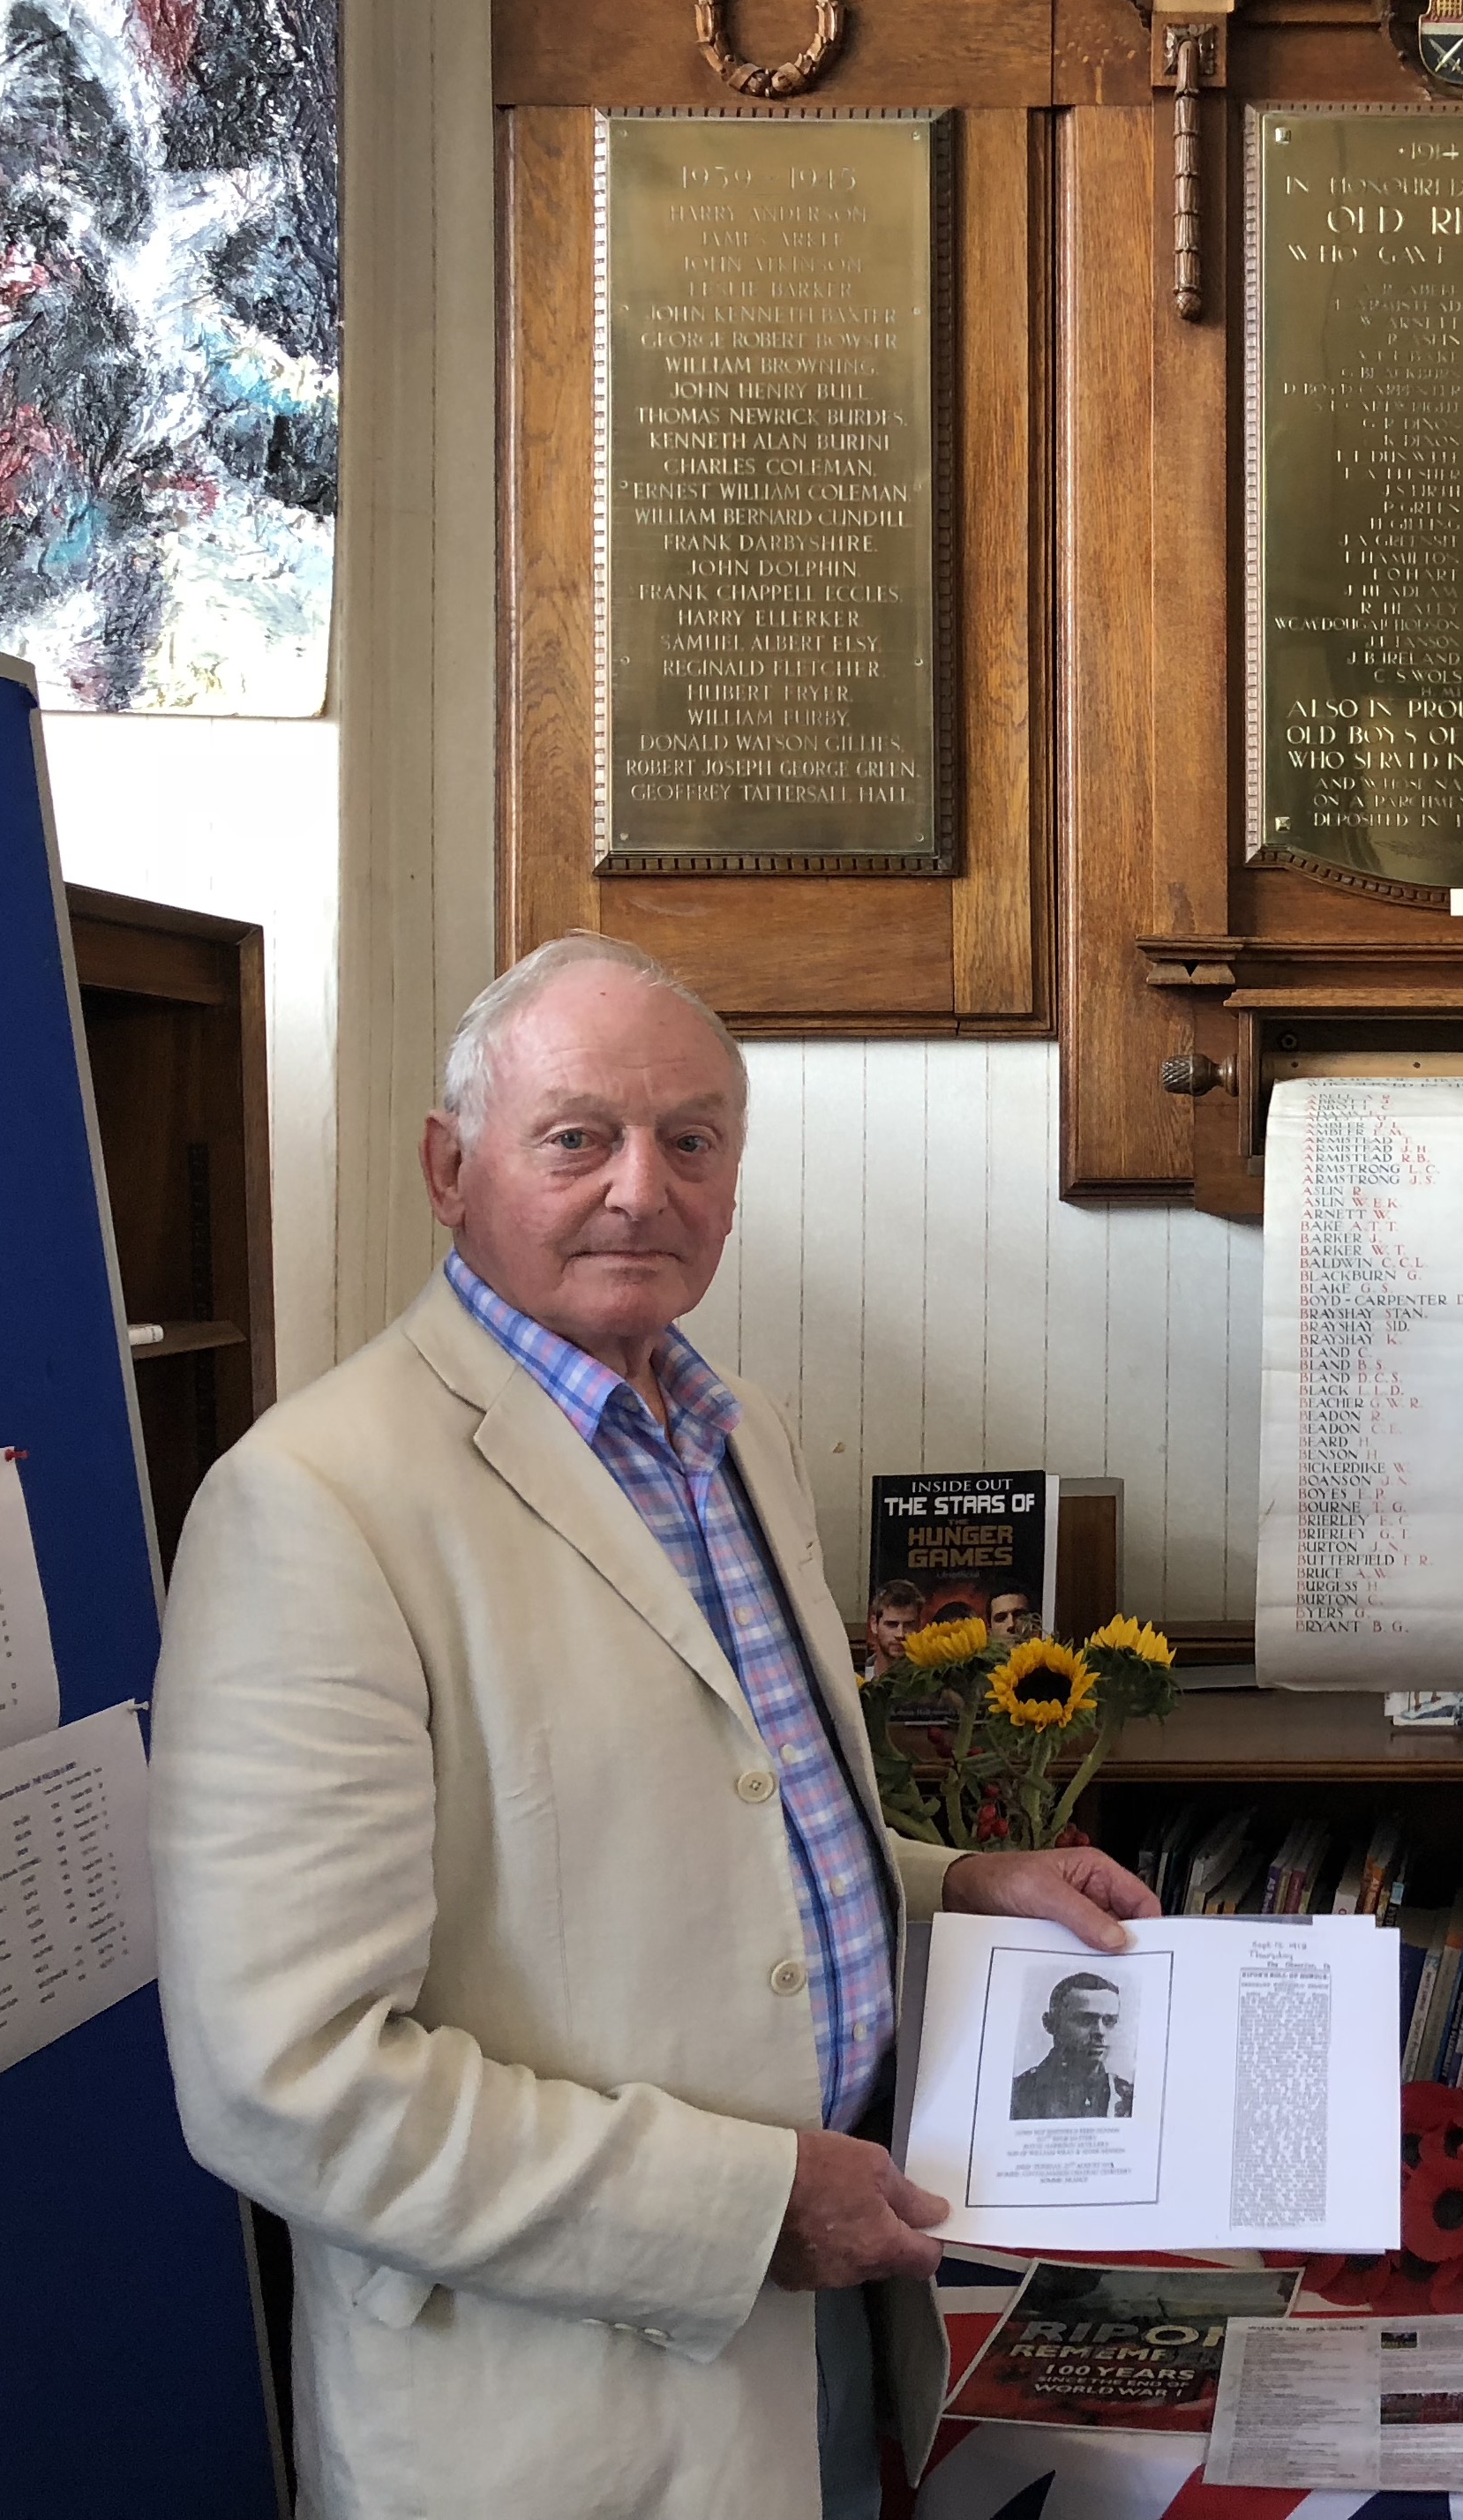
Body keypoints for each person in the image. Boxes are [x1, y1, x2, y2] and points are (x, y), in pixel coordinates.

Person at [147, 933, 1160, 2520]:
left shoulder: (727, 1428)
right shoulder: (315, 1500)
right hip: (565, 2404)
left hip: (827, 2339)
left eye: (691, 1138)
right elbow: (286, 2076)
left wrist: (945, 1881)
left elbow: (709, 1826)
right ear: (447, 1162)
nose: (642, 1185)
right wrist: (746, 2207)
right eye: (578, 1135)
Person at [1009, 1970, 1136, 2120]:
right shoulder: (1019, 2093)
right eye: (1085, 2020)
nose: (1100, 2032)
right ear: (1050, 2024)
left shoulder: (1127, 2096)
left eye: (1109, 2021)